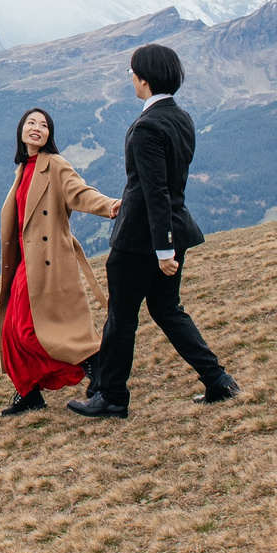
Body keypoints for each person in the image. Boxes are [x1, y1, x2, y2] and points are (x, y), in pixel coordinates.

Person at [70, 43, 240, 417]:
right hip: (174, 230)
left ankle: (112, 396)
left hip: (142, 240)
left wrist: (162, 250)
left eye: (132, 72)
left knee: (122, 317)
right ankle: (218, 380)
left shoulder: (147, 126)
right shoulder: (181, 118)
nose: (130, 78)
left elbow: (154, 191)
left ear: (144, 78)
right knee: (168, 310)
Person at [0, 106, 120, 415]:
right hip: (28, 262)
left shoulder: (55, 165)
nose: (37, 127)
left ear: (49, 134)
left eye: (44, 124)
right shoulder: (25, 168)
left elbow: (81, 193)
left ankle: (96, 364)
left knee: (29, 329)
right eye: (31, 122)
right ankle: (29, 392)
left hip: (49, 261)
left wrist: (112, 206)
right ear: (21, 131)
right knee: (11, 329)